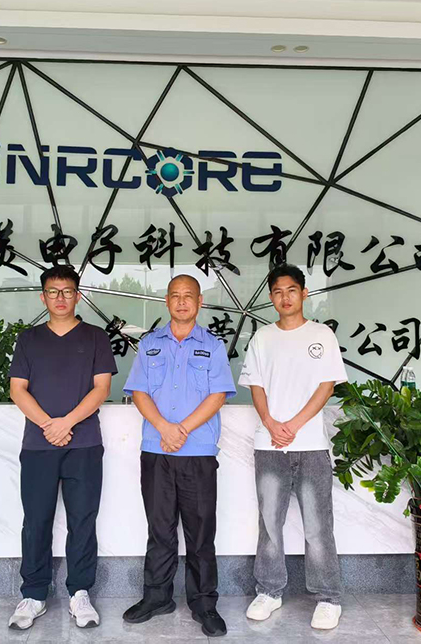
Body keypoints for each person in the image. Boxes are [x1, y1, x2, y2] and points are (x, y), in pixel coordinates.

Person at [121, 275, 236, 638]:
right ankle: (157, 597)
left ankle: (204, 603)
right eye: (175, 295)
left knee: (200, 532)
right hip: (157, 450)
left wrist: (181, 429)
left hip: (197, 452)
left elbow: (218, 395)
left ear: (200, 302)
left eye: (189, 296)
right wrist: (164, 428)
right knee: (160, 529)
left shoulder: (213, 346)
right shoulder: (149, 344)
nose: (182, 301)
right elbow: (139, 391)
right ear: (167, 301)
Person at [7, 265, 117, 631]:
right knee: (35, 520)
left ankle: (80, 593)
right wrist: (48, 426)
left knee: (82, 520)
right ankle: (34, 594)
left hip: (84, 444)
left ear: (77, 296)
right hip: (37, 446)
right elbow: (17, 390)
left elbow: (102, 388)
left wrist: (66, 423)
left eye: (67, 291)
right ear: (43, 297)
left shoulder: (96, 337)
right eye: (53, 292)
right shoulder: (29, 339)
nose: (60, 298)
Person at [238, 264, 348, 631]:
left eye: (291, 290)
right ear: (271, 297)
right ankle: (269, 591)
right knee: (270, 523)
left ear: (304, 293)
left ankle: (328, 598)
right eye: (277, 292)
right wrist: (271, 424)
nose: (285, 297)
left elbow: (326, 386)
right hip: (269, 445)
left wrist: (295, 425)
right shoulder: (262, 338)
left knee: (318, 526)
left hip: (311, 445)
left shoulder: (322, 335)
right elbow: (256, 386)